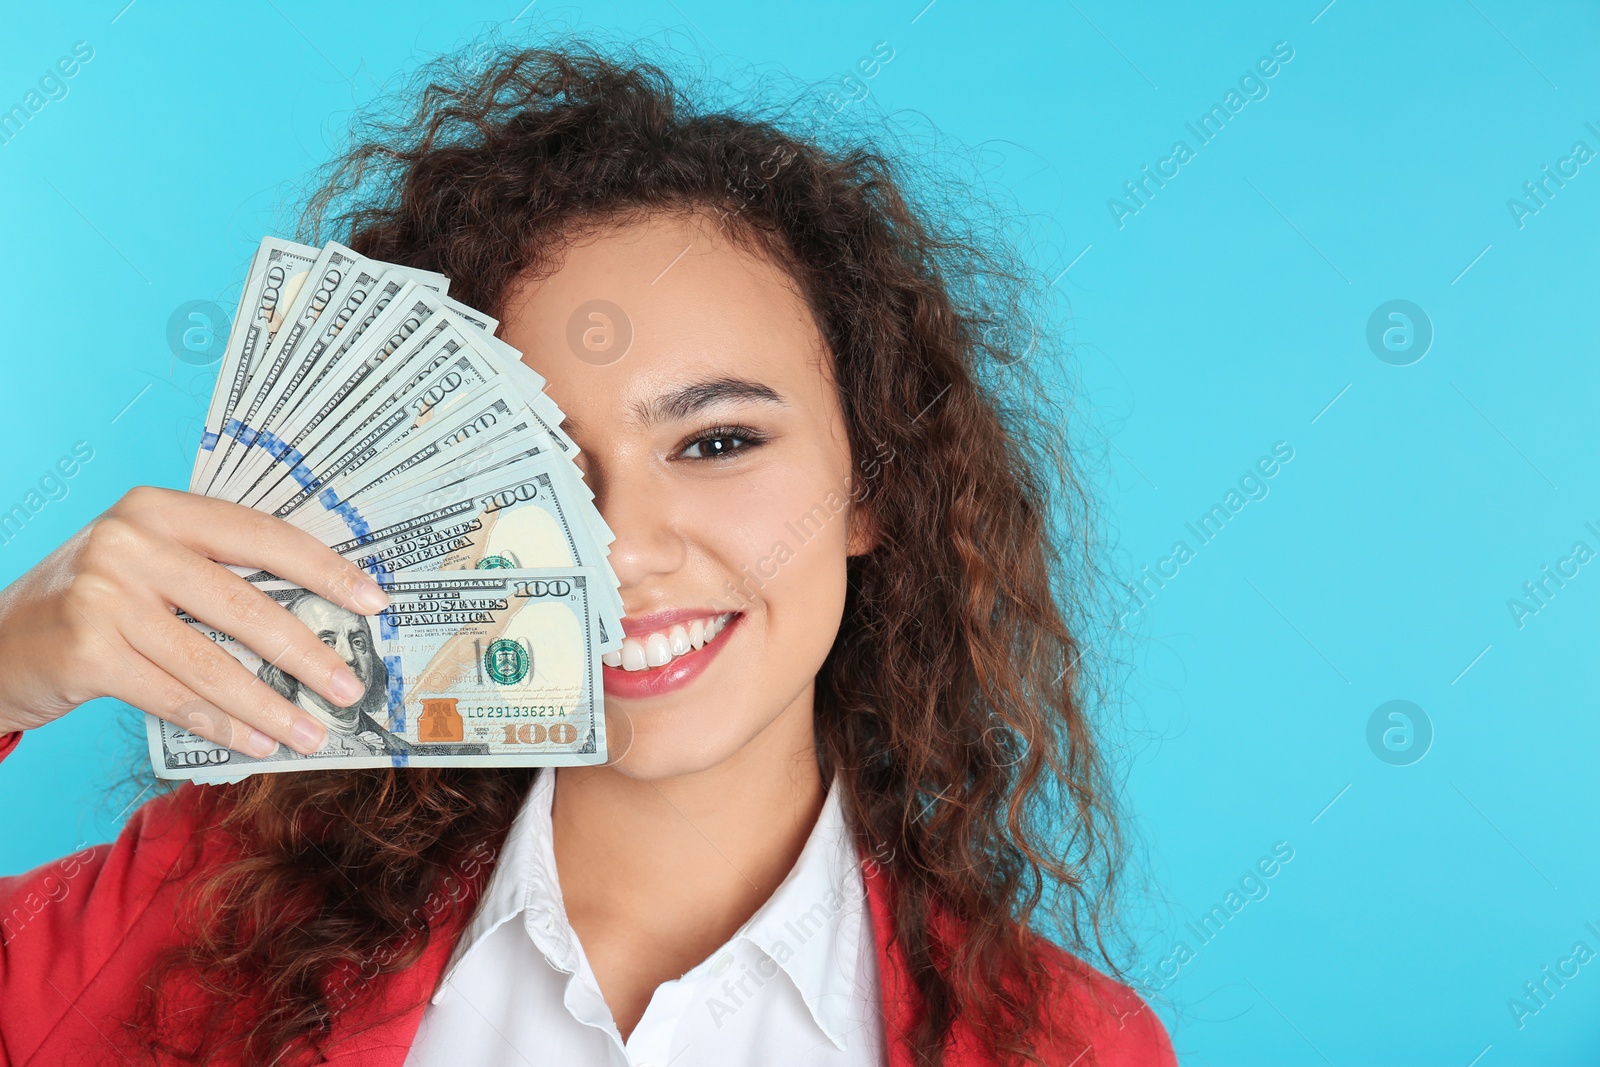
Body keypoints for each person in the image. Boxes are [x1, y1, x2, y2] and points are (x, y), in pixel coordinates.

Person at [0, 42, 1176, 1067]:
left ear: (875, 483)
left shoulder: (1071, 1042)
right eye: (536, 469)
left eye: (716, 441)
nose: (617, 548)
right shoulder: (187, 916)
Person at [256, 591, 410, 758]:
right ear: (287, 660)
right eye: (326, 643)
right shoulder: (264, 745)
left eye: (358, 642)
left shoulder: (401, 750)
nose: (349, 656)